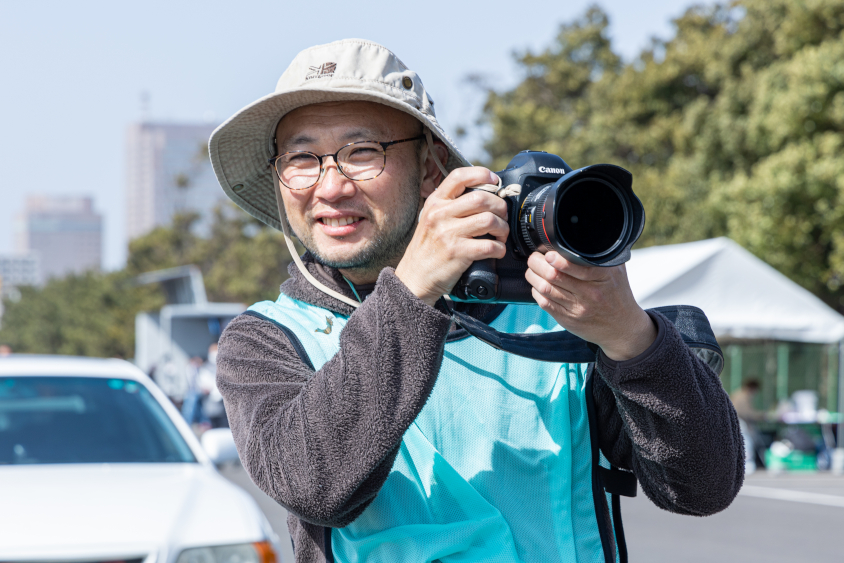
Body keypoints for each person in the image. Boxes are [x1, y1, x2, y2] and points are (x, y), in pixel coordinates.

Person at [211, 39, 743, 563]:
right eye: (302, 158)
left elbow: (703, 488)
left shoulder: (551, 306)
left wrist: (630, 336)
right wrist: (414, 288)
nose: (330, 187)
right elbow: (315, 485)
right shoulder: (265, 339)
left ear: (428, 168)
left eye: (362, 153)